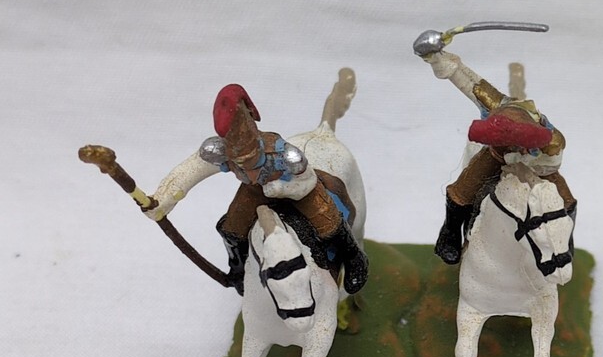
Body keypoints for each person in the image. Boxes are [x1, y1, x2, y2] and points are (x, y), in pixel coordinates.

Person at [144, 83, 368, 294]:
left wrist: (280, 188)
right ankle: (239, 270)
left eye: (249, 160)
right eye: (239, 163)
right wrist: (163, 199)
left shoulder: (284, 154)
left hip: (297, 188)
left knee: (329, 222)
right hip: (256, 192)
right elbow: (191, 171)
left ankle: (354, 259)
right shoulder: (221, 151)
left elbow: (307, 180)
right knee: (231, 229)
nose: (245, 168)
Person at [414, 38, 576, 264]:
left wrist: (522, 167)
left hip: (537, 167)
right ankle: (449, 234)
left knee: (566, 201)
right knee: (461, 191)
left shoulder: (552, 143)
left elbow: (549, 166)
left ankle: (564, 241)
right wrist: (435, 56)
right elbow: (467, 79)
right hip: (495, 157)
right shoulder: (496, 104)